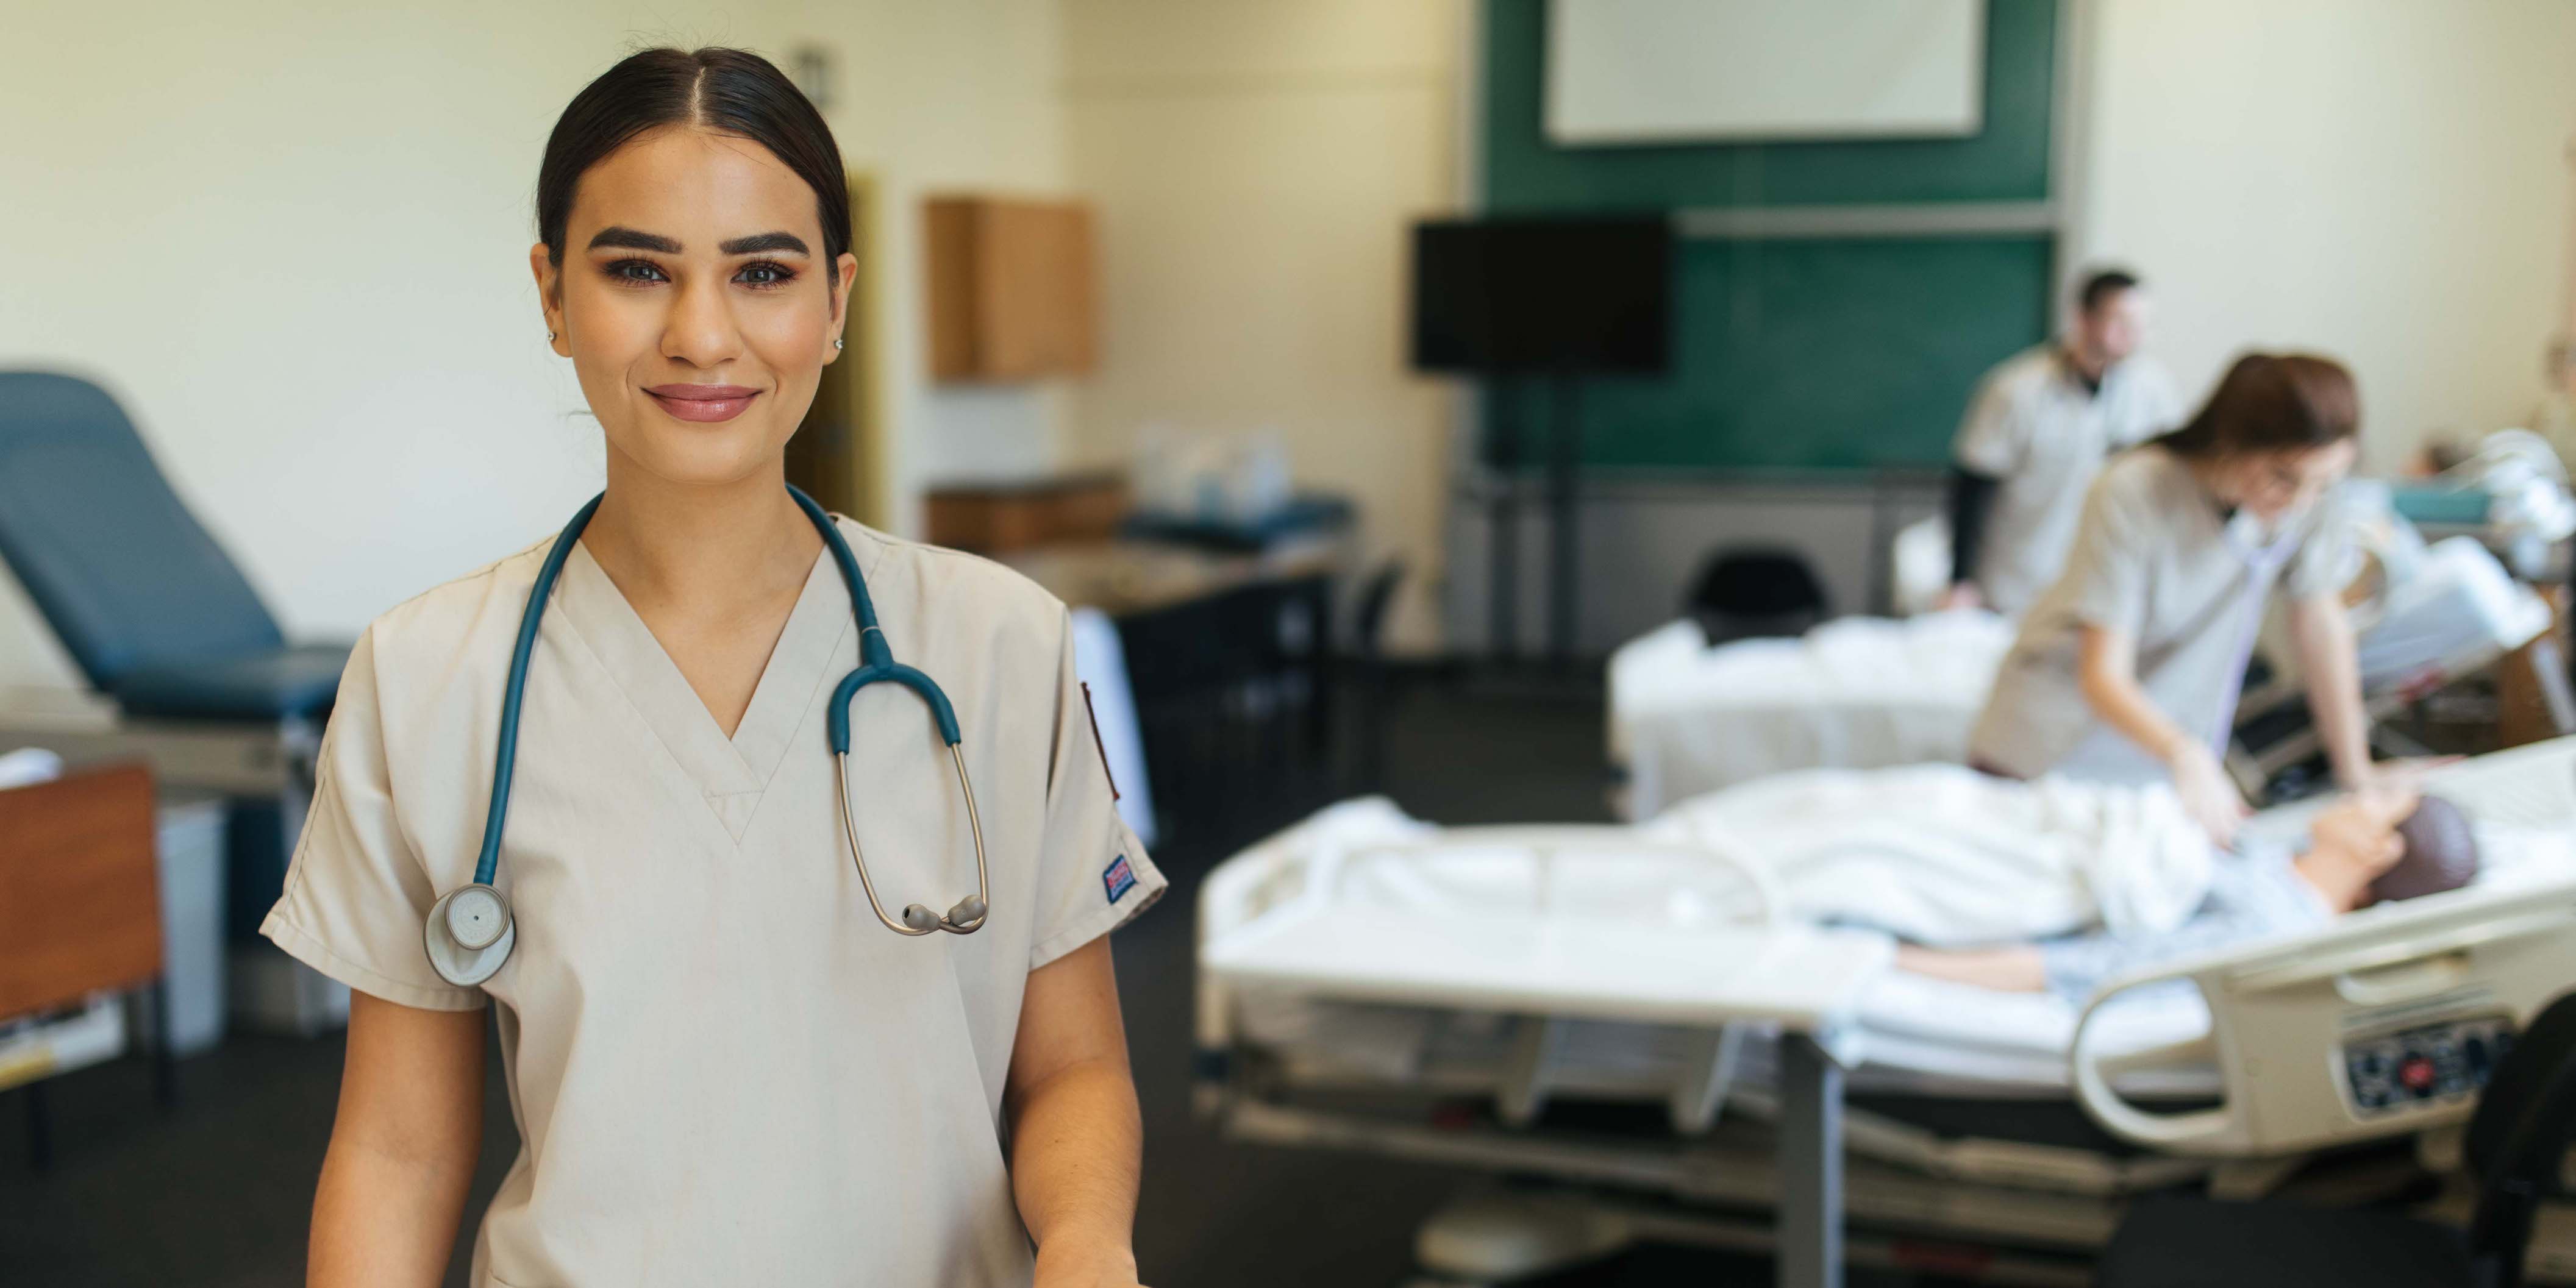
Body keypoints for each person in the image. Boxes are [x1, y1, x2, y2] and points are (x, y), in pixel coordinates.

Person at [260, 49, 1163, 1287]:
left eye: (763, 273)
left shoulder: (998, 644)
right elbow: (397, 1152)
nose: (701, 334)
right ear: (552, 293)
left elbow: (1073, 1071)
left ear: (836, 302)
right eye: (637, 269)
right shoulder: (428, 677)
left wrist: (1085, 1242)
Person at [1967, 353, 2374, 846]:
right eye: (2282, 477)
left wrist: (2358, 776)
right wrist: (2185, 753)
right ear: (2233, 440)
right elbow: (2101, 673)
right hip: (2049, 740)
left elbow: (2320, 624)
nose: (2301, 501)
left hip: (2158, 752)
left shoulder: (2311, 497)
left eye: (2324, 484)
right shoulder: (2135, 489)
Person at [1897, 789, 2478, 1002]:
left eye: (2379, 802)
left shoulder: (2269, 924)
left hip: (2020, 886)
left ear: (2378, 850)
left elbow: (2094, 969)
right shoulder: (2274, 857)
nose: (2359, 795)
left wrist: (1903, 963)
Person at [1941, 269, 2183, 616]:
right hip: (2019, 583)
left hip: (2106, 586)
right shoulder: (2016, 390)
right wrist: (1960, 580)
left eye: (2143, 324)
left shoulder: (2154, 391)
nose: (2134, 335)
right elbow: (1971, 488)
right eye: (2121, 321)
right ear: (2083, 318)